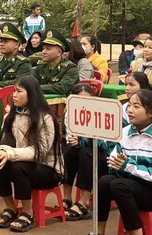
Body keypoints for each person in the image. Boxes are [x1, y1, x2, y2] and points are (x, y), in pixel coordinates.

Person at [97, 89, 152, 235]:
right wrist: (115, 165)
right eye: (129, 105)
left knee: (119, 186)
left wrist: (129, 166)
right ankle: (98, 232)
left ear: (150, 112)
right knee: (105, 182)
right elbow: (114, 160)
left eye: (136, 107)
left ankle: (136, 233)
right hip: (136, 184)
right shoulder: (125, 133)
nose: (130, 110)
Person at [0, 76, 64, 232]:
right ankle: (10, 208)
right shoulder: (10, 116)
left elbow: (40, 151)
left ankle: (27, 213)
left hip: (48, 169)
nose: (14, 95)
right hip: (23, 163)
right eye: (13, 91)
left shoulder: (45, 118)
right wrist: (0, 152)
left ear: (31, 94)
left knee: (18, 167)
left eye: (19, 91)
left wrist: (10, 154)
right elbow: (3, 142)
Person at [62, 83, 115, 221]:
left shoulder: (102, 113)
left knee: (86, 152)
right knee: (69, 150)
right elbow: (70, 136)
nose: (83, 104)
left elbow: (105, 144)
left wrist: (84, 140)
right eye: (79, 100)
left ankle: (84, 201)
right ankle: (66, 197)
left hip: (106, 156)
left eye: (88, 100)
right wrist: (75, 141)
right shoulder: (70, 113)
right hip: (84, 152)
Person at [32, 28, 79, 95]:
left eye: (48, 49)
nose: (43, 52)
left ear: (59, 52)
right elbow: (30, 82)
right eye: (43, 48)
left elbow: (61, 88)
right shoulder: (41, 66)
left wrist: (36, 88)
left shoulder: (70, 68)